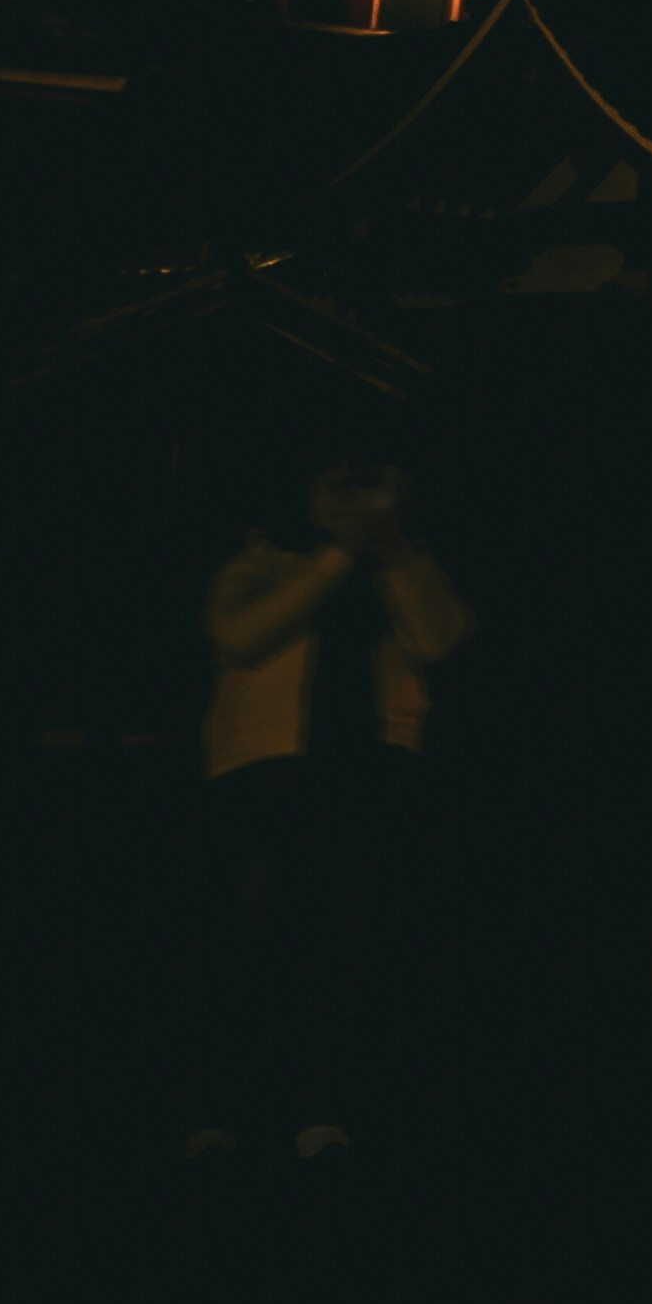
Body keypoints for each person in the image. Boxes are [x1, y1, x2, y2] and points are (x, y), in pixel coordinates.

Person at [199, 454, 469, 1159]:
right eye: (336, 490)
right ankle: (224, 1107)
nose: (350, 503)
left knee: (345, 949)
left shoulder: (397, 569)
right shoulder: (262, 562)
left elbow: (441, 639)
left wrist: (393, 549)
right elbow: (238, 634)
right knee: (247, 944)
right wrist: (336, 557)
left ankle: (319, 1106)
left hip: (363, 782)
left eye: (364, 491)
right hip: (266, 776)